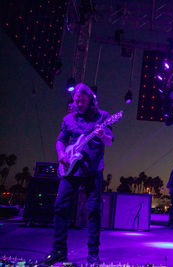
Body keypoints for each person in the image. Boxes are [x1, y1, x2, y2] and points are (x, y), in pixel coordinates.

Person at [40, 83, 113, 266]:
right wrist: (61, 154)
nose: (78, 103)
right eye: (76, 101)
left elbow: (109, 141)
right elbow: (61, 140)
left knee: (94, 211)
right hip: (70, 169)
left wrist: (102, 134)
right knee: (60, 206)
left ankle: (93, 254)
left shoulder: (102, 116)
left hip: (93, 170)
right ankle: (58, 251)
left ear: (90, 99)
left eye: (82, 100)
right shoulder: (68, 119)